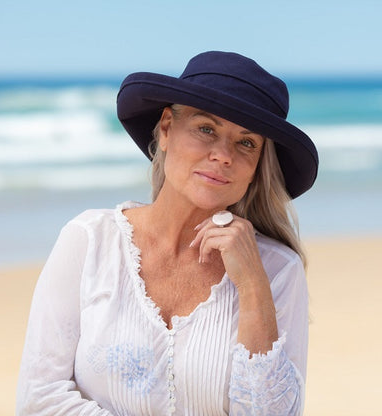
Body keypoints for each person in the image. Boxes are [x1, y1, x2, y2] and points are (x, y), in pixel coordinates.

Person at [16, 51, 318, 415]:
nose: (223, 154)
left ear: (256, 167)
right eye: (206, 129)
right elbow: (39, 398)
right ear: (166, 129)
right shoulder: (89, 241)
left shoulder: (277, 270)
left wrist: (254, 287)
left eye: (246, 142)